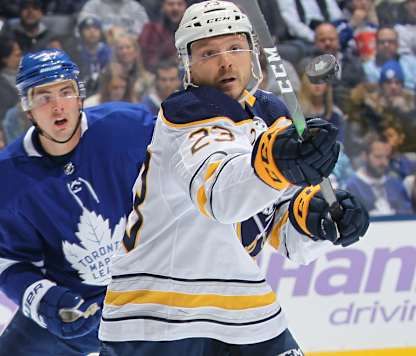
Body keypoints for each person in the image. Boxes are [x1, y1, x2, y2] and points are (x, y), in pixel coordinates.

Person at [98, 2, 369, 355]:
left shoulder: (271, 114)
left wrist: (318, 218)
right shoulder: (187, 113)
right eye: (209, 53)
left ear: (253, 53)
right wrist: (277, 161)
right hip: (158, 312)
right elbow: (221, 198)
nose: (225, 61)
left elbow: (283, 233)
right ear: (189, 66)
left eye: (235, 48)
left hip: (243, 306)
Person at [0, 49, 154, 355]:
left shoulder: (129, 128)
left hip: (148, 303)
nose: (57, 105)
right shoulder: (7, 177)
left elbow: (191, 152)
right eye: (43, 97)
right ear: (28, 109)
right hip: (76, 313)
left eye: (65, 91)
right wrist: (52, 304)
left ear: (80, 97)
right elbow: (9, 263)